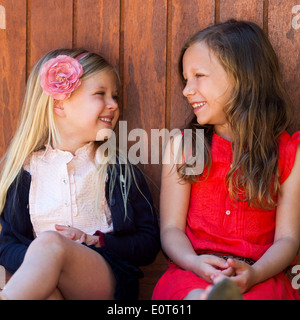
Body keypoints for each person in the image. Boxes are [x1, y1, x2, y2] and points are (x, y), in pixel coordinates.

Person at [152, 20, 300, 300]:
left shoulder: (290, 154)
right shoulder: (183, 146)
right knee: (191, 296)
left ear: (242, 78)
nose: (187, 89)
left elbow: (288, 240)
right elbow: (171, 229)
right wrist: (194, 262)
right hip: (192, 271)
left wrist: (254, 274)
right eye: (186, 79)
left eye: (199, 75)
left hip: (259, 276)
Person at [0, 48, 160, 300]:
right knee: (47, 289)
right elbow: (7, 246)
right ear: (60, 104)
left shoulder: (117, 169)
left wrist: (95, 241)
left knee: (50, 243)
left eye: (114, 96)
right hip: (51, 286)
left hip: (106, 283)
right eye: (100, 94)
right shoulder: (26, 172)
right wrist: (42, 259)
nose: (114, 104)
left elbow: (148, 243)